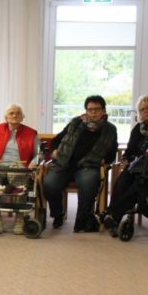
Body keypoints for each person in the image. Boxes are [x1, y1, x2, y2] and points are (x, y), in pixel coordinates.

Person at [42, 95, 118, 232]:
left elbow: (112, 153)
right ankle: (58, 214)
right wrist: (54, 151)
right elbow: (57, 140)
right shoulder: (76, 122)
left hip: (87, 166)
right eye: (90, 109)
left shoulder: (110, 129)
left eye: (97, 109)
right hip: (63, 163)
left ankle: (81, 219)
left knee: (89, 184)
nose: (93, 112)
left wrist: (104, 160)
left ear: (103, 111)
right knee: (49, 183)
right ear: (86, 111)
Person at [103, 95, 148, 236]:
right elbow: (129, 151)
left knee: (139, 183)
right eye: (142, 110)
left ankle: (112, 214)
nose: (145, 111)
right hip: (138, 166)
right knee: (123, 179)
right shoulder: (138, 129)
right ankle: (113, 215)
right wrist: (126, 159)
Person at [0, 104, 39, 235]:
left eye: (18, 113)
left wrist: (33, 163)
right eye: (11, 113)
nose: (14, 115)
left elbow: (39, 153)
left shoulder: (31, 133)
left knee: (17, 177)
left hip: (19, 166)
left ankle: (19, 218)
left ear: (22, 117)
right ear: (6, 117)